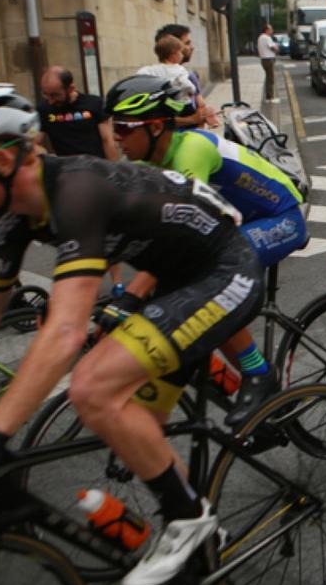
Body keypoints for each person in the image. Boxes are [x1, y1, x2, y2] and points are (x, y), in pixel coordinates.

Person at [0, 83, 264, 585]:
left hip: (224, 269)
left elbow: (66, 329)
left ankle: (191, 520)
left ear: (4, 160)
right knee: (132, 422)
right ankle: (198, 534)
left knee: (92, 387)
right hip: (170, 276)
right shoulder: (15, 212)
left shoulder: (76, 192)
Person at [105, 75, 305, 425]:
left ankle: (258, 373)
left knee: (209, 280)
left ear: (154, 126)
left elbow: (182, 239)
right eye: (113, 127)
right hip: (238, 224)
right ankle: (225, 374)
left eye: (123, 127)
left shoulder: (191, 150)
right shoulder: (146, 165)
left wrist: (133, 295)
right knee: (189, 293)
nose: (116, 136)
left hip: (281, 217)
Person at [36, 66, 118, 160]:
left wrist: (115, 170)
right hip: (66, 169)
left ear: (71, 88)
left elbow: (107, 140)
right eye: (46, 94)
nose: (50, 101)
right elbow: (34, 143)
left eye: (55, 95)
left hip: (95, 167)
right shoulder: (43, 109)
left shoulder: (95, 104)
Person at [154, 24, 218, 128]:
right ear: (173, 48)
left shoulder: (190, 75)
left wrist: (207, 113)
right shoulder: (156, 80)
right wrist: (191, 119)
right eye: (187, 43)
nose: (192, 47)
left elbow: (200, 107)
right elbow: (156, 120)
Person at [139, 34, 207, 129]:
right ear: (174, 54)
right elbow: (187, 85)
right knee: (195, 120)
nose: (182, 55)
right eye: (180, 52)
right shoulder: (179, 69)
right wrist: (192, 91)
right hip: (182, 105)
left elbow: (141, 75)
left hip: (166, 105)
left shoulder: (152, 69)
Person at [256, 22, 279, 103]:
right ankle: (270, 98)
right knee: (271, 78)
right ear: (267, 30)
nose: (272, 31)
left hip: (263, 60)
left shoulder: (260, 37)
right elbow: (273, 47)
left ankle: (269, 96)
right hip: (269, 59)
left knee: (268, 78)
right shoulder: (267, 38)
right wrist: (276, 48)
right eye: (270, 29)